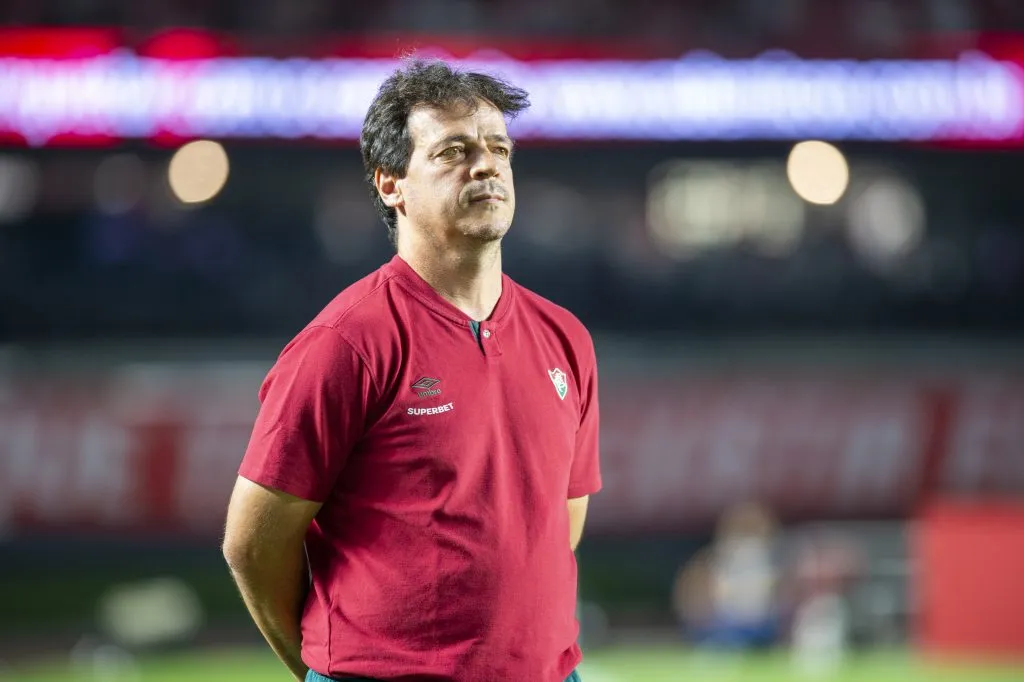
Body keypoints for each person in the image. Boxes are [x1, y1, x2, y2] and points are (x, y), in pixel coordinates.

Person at [221, 58, 602, 682]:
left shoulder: (566, 338)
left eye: (498, 147)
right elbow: (252, 544)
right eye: (453, 151)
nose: (486, 164)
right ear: (391, 184)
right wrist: (324, 667)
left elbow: (559, 527)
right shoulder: (345, 343)